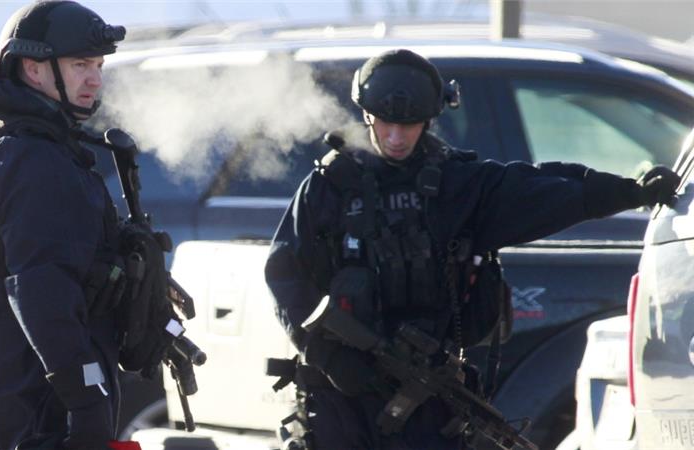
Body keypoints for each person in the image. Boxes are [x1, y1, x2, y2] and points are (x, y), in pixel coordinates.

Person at [264, 49, 680, 449]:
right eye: (387, 123)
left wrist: (630, 192)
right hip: (341, 398)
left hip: (426, 397)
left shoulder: (459, 184)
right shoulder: (329, 187)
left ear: (428, 121)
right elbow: (284, 273)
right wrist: (327, 354)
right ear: (368, 115)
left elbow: (545, 189)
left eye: (408, 125)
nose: (395, 137)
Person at [0, 1, 132, 449]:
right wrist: (85, 398)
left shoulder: (17, 142)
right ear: (33, 68)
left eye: (99, 65)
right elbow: (41, 286)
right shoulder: (32, 156)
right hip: (46, 407)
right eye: (80, 64)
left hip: (22, 399)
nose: (95, 79)